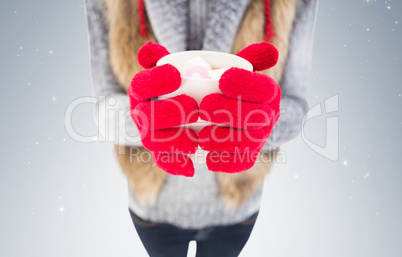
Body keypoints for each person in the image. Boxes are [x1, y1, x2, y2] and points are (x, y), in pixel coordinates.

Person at [84, 0, 318, 256]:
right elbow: (104, 107)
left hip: (236, 208)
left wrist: (266, 121)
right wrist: (141, 118)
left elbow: (296, 108)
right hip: (154, 210)